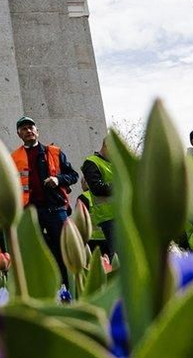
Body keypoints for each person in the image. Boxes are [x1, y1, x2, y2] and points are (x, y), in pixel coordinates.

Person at [11, 117, 78, 280]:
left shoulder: (53, 152)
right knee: (36, 252)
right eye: (24, 129)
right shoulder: (14, 157)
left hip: (56, 210)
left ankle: (68, 287)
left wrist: (58, 180)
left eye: (31, 127)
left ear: (37, 131)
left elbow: (73, 175)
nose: (28, 131)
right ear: (19, 134)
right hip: (30, 213)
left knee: (64, 250)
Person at [80, 139, 116, 258]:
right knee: (117, 255)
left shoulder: (114, 163)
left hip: (123, 215)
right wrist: (120, 185)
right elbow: (97, 188)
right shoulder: (91, 162)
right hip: (109, 217)